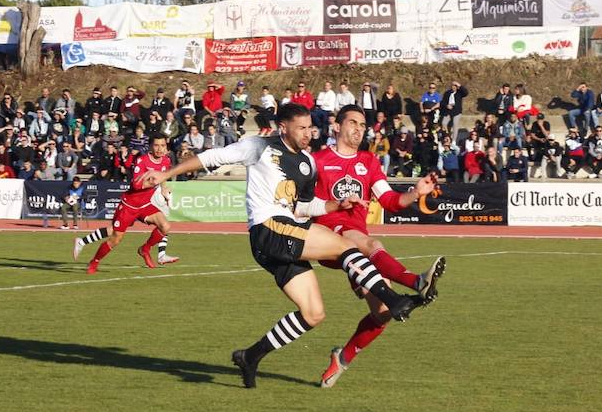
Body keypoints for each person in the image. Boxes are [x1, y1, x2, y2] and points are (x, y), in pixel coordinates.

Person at [142, 103, 428, 388]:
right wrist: (167, 175)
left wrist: (335, 204)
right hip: (269, 229)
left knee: (313, 314)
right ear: (284, 128)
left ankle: (250, 356)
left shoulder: (307, 162)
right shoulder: (259, 146)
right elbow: (214, 156)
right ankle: (393, 300)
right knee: (345, 247)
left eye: (310, 128)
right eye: (301, 128)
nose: (308, 133)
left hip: (281, 238)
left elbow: (304, 206)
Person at [312, 105, 444, 388]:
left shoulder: (369, 161)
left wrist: (414, 193)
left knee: (382, 312)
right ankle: (416, 281)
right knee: (371, 242)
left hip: (355, 246)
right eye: (353, 123)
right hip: (328, 236)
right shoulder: (317, 160)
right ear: (336, 126)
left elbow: (389, 201)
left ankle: (342, 359)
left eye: (363, 124)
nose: (359, 129)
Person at [81, 134, 176, 273]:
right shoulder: (142, 161)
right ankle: (94, 261)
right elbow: (136, 184)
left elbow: (162, 176)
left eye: (162, 145)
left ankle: (145, 249)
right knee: (116, 239)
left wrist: (163, 189)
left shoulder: (166, 161)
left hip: (145, 205)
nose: (159, 149)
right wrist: (151, 180)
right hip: (129, 206)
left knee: (166, 226)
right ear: (150, 146)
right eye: (156, 145)